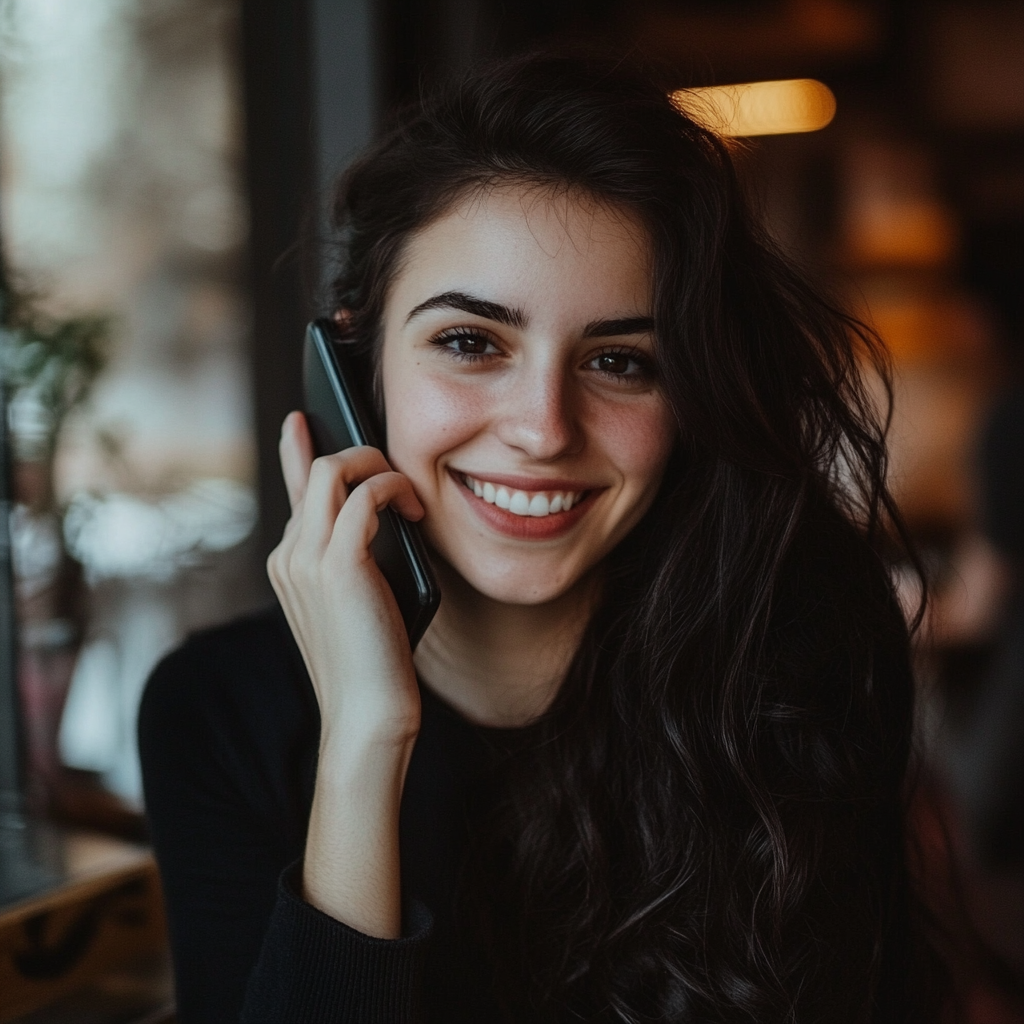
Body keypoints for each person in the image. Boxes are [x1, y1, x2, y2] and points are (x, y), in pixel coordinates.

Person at [139, 51, 923, 1023]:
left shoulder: (795, 669)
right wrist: (366, 743)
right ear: (353, 369)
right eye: (471, 343)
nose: (544, 427)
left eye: (620, 360)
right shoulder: (217, 714)